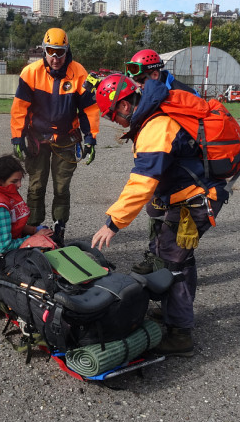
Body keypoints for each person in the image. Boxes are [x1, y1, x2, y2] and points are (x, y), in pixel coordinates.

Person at [91, 75, 229, 357]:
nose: (113, 120)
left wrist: (113, 223)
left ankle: (180, 334)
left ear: (126, 104)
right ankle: (171, 312)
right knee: (171, 258)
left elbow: (143, 180)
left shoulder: (156, 126)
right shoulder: (154, 117)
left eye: (112, 113)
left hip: (194, 203)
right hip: (186, 198)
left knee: (174, 266)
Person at [10, 28, 100, 245]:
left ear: (67, 50)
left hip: (66, 138)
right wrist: (17, 137)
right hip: (37, 138)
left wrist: (90, 138)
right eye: (51, 51)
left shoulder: (79, 73)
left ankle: (59, 227)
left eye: (60, 52)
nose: (55, 57)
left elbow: (88, 109)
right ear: (44, 49)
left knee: (61, 187)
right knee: (36, 185)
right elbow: (20, 108)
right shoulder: (30, 73)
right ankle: (34, 229)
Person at [124, 49, 200, 274]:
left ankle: (177, 271)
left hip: (185, 168)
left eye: (141, 81)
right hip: (167, 161)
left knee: (179, 227)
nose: (139, 87)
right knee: (155, 209)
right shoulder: (157, 89)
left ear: (154, 75)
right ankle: (155, 257)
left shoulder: (178, 94)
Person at [0, 155, 54, 264]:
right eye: (14, 181)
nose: (19, 185)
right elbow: (5, 247)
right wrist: (35, 238)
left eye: (20, 180)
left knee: (44, 234)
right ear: (0, 181)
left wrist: (34, 230)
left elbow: (10, 224)